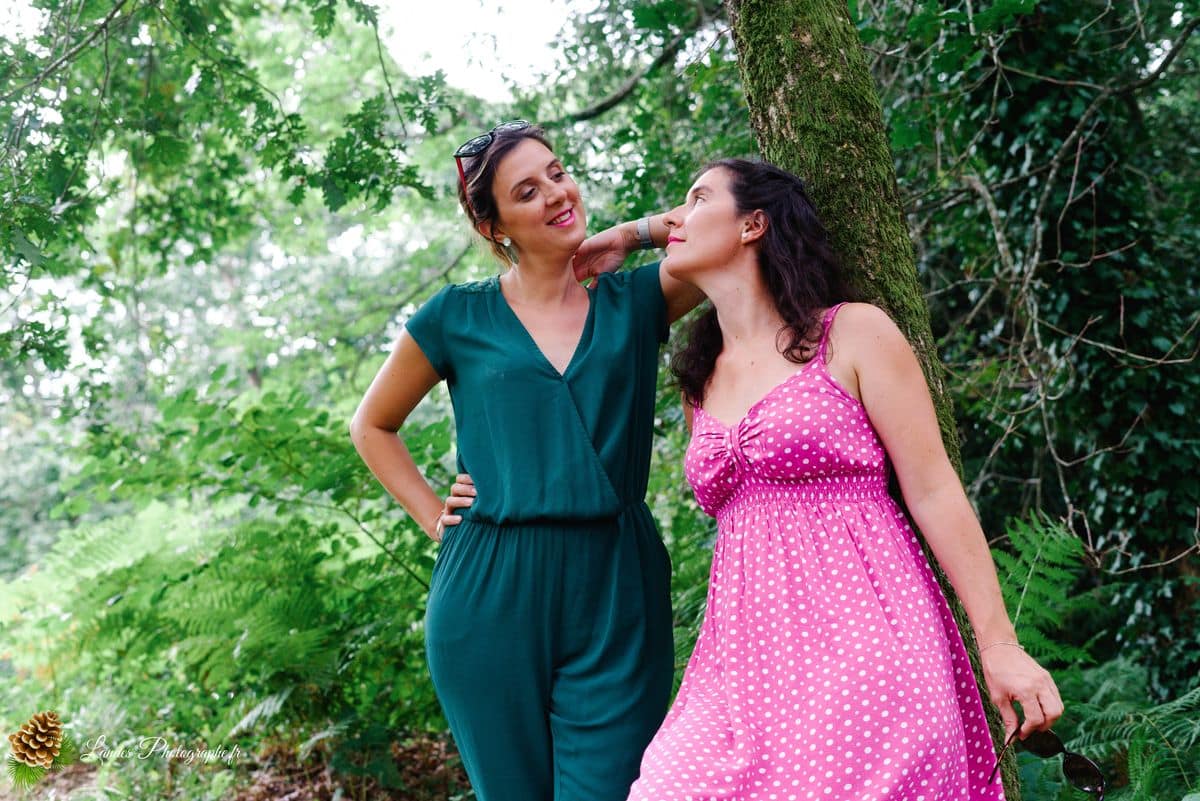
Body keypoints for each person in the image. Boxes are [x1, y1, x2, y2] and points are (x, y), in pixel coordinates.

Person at [617, 158, 1064, 800]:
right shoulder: (701, 376)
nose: (676, 220)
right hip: (743, 668)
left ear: (753, 224)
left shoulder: (852, 332)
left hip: (866, 642)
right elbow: (561, 285)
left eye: (696, 200)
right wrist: (627, 236)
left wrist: (999, 645)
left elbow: (934, 490)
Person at [348, 121, 702, 801]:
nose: (556, 194)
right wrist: (433, 516)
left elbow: (743, 224)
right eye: (527, 190)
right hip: (488, 590)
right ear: (494, 225)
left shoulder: (636, 301)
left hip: (616, 588)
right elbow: (372, 424)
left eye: (558, 172)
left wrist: (630, 234)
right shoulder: (458, 316)